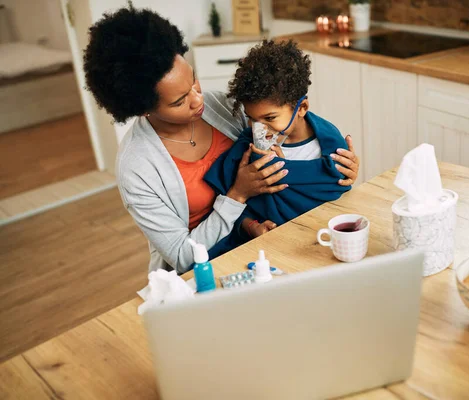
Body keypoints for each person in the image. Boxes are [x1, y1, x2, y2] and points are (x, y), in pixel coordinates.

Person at [82, 6, 360, 274]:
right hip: (205, 267)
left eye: (194, 81)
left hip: (264, 242)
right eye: (180, 101)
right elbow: (182, 257)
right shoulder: (137, 167)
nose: (198, 100)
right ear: (143, 107)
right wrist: (238, 195)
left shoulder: (222, 106)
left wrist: (339, 162)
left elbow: (288, 118)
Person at [204, 40, 351, 256]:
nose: (259, 129)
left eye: (270, 117)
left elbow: (339, 189)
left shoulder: (329, 145)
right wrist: (251, 226)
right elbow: (229, 204)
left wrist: (286, 169)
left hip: (322, 245)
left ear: (301, 108)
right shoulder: (247, 149)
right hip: (269, 252)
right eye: (252, 119)